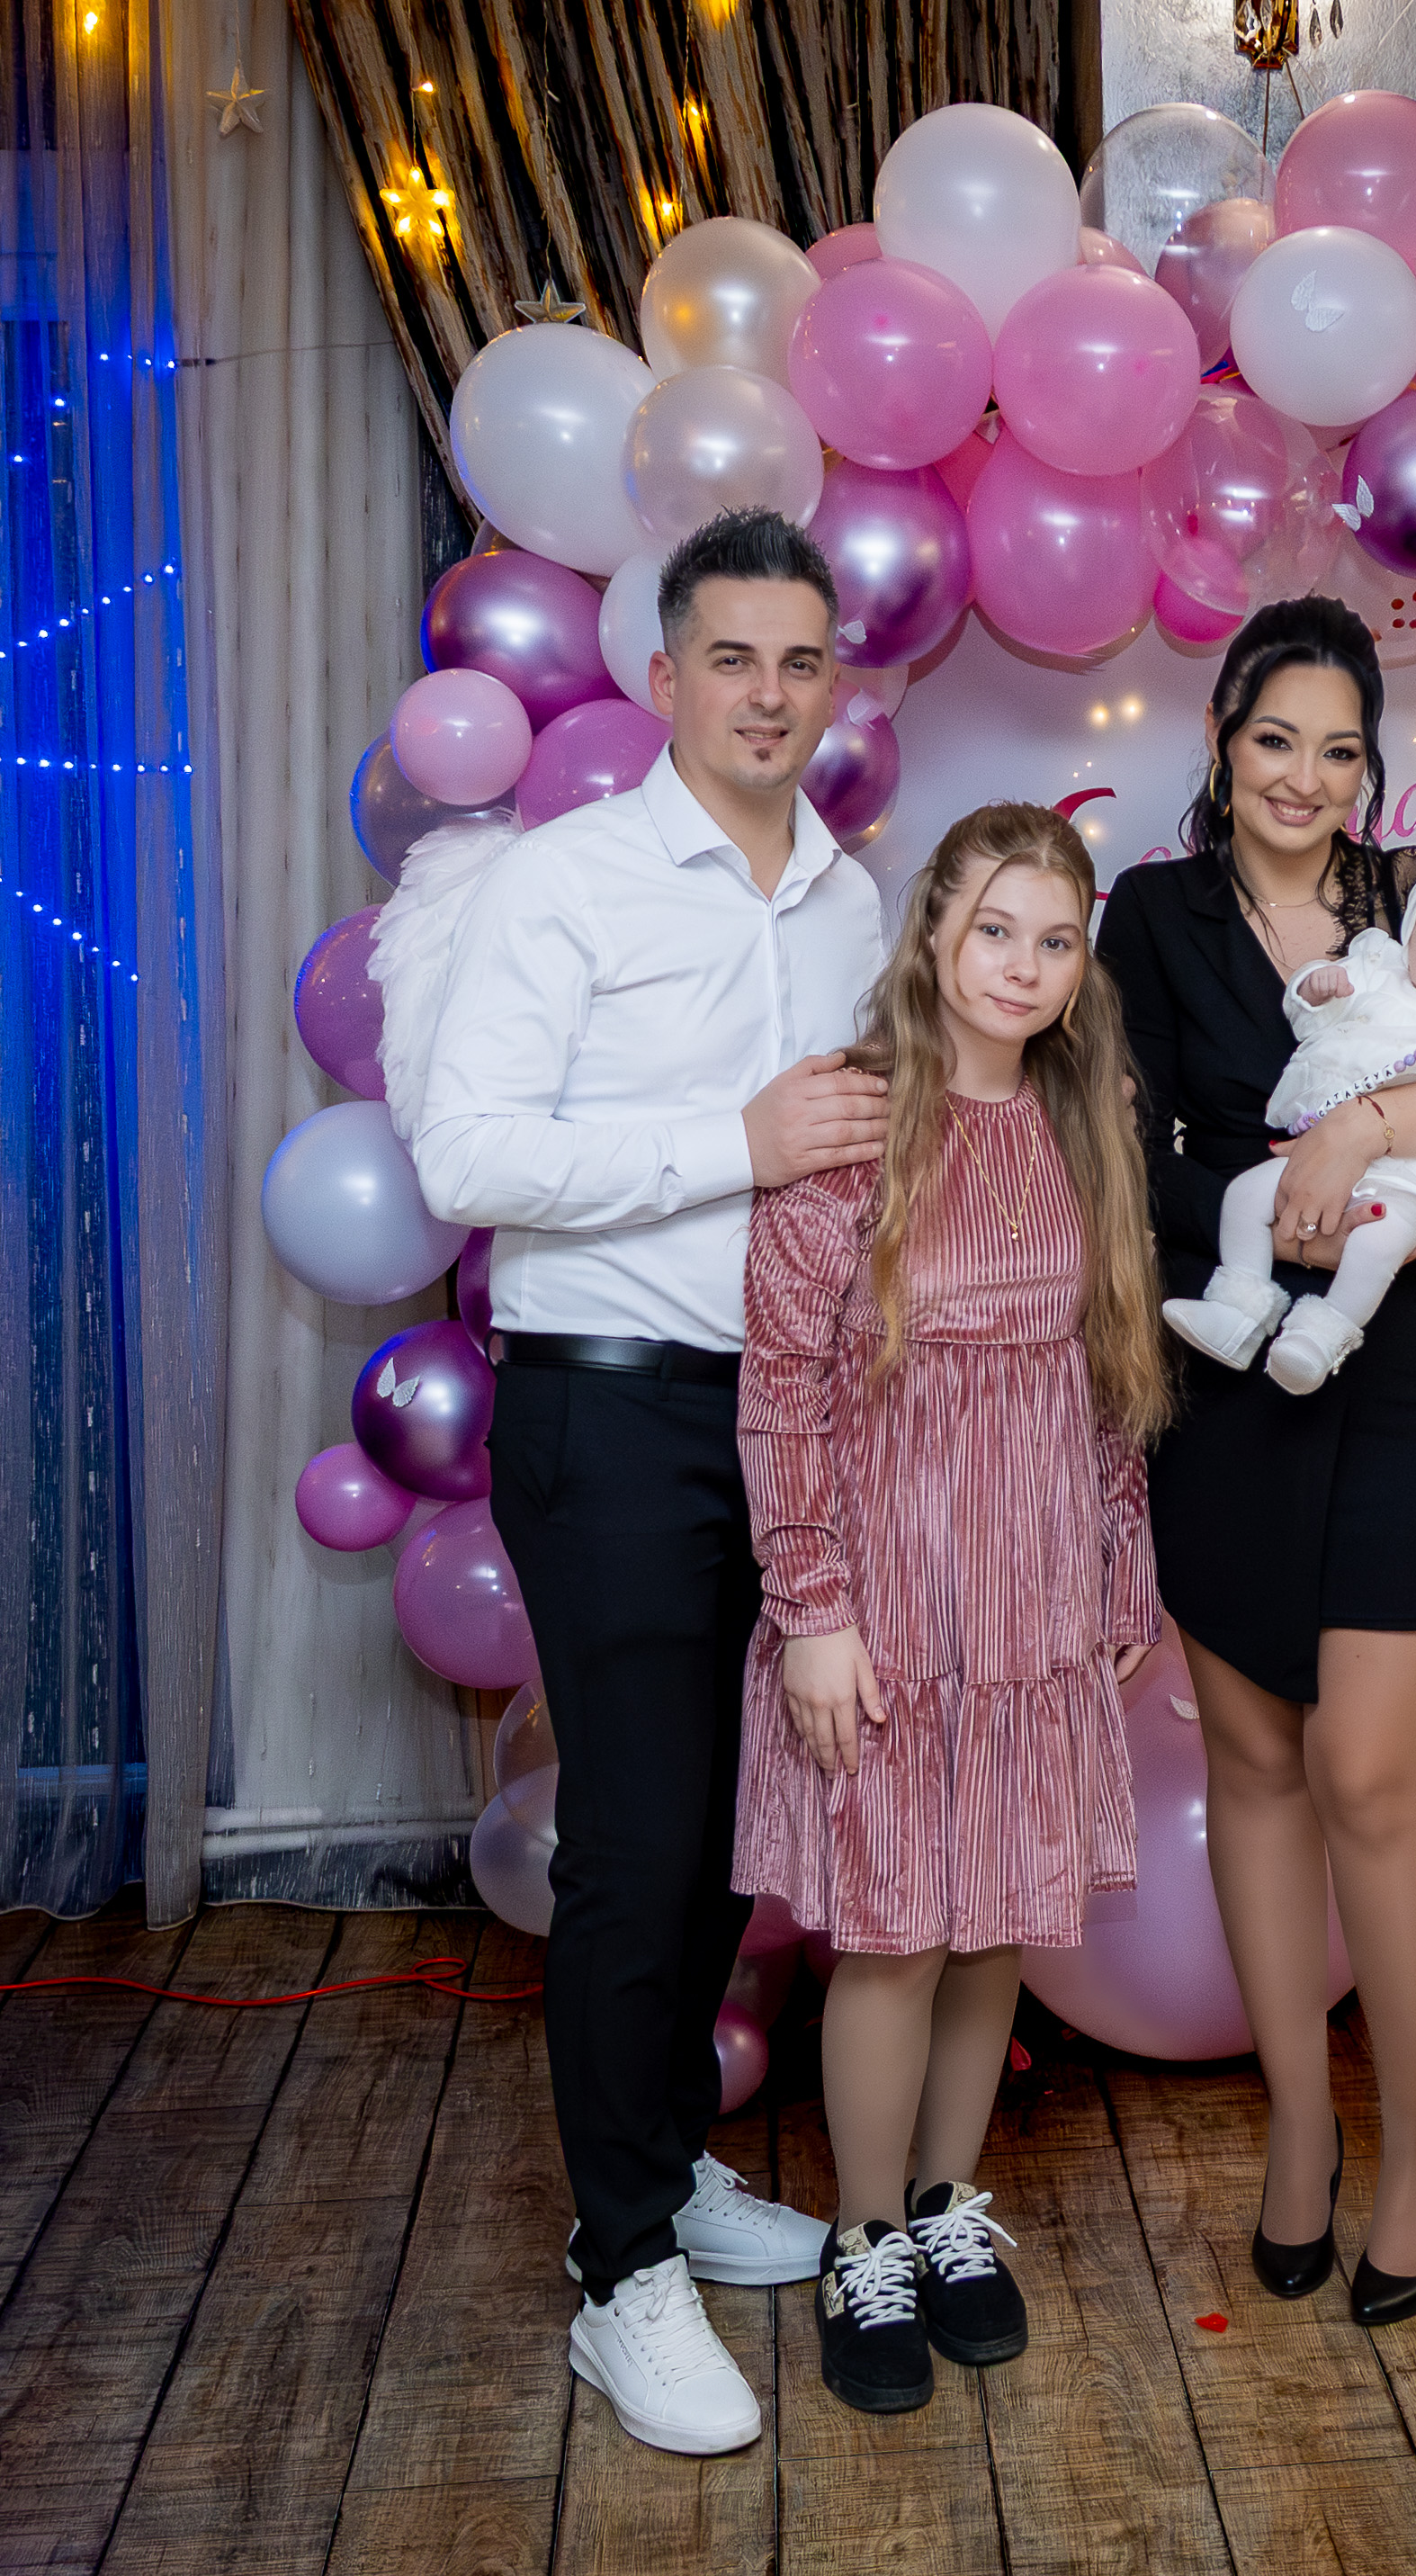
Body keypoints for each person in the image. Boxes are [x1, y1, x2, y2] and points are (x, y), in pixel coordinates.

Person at [408, 508, 889, 2455]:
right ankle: (618, 2273)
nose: (767, 694)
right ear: (667, 674)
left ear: (831, 682)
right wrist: (731, 1141)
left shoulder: (852, 904)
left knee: (732, 1832)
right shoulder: (569, 879)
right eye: (732, 659)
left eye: (799, 660)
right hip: (608, 1410)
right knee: (633, 1838)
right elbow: (465, 1157)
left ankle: (667, 2168)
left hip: (791, 1417)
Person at [1096, 595, 1416, 2327]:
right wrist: (1265, 1209)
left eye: (1340, 747)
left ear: (1373, 765)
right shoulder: (1151, 915)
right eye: (1274, 738)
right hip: (1233, 1365)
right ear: (1223, 739)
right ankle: (1300, 2127)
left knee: (1374, 1778)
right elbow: (1116, 1146)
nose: (1304, 775)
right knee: (1254, 1762)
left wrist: (1365, 1125)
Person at [730, 803, 1167, 2415]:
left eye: (1055, 939)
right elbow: (784, 1392)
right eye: (995, 929)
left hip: (1034, 1586)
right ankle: (862, 2236)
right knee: (897, 1932)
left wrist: (1122, 1545)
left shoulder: (1084, 1122)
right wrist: (813, 1605)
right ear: (932, 934)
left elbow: (1108, 1373)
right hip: (892, 1599)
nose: (1023, 965)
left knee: (997, 1924)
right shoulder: (855, 1125)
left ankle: (940, 2203)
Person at [1163, 830, 1416, 1393]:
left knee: (1380, 1240)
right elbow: (1317, 1024)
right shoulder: (1381, 972)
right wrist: (1317, 987)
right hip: (1321, 1157)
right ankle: (1238, 1309)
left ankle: (1321, 1336)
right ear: (1410, 937)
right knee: (1245, 1197)